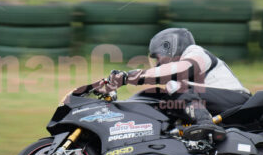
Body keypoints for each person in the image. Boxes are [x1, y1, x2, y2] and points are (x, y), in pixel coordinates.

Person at [94, 28, 251, 142]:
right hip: (219, 103)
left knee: (175, 85)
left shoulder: (196, 52)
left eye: (158, 56)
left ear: (169, 46)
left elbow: (179, 70)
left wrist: (133, 76)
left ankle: (205, 123)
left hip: (236, 100)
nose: (157, 62)